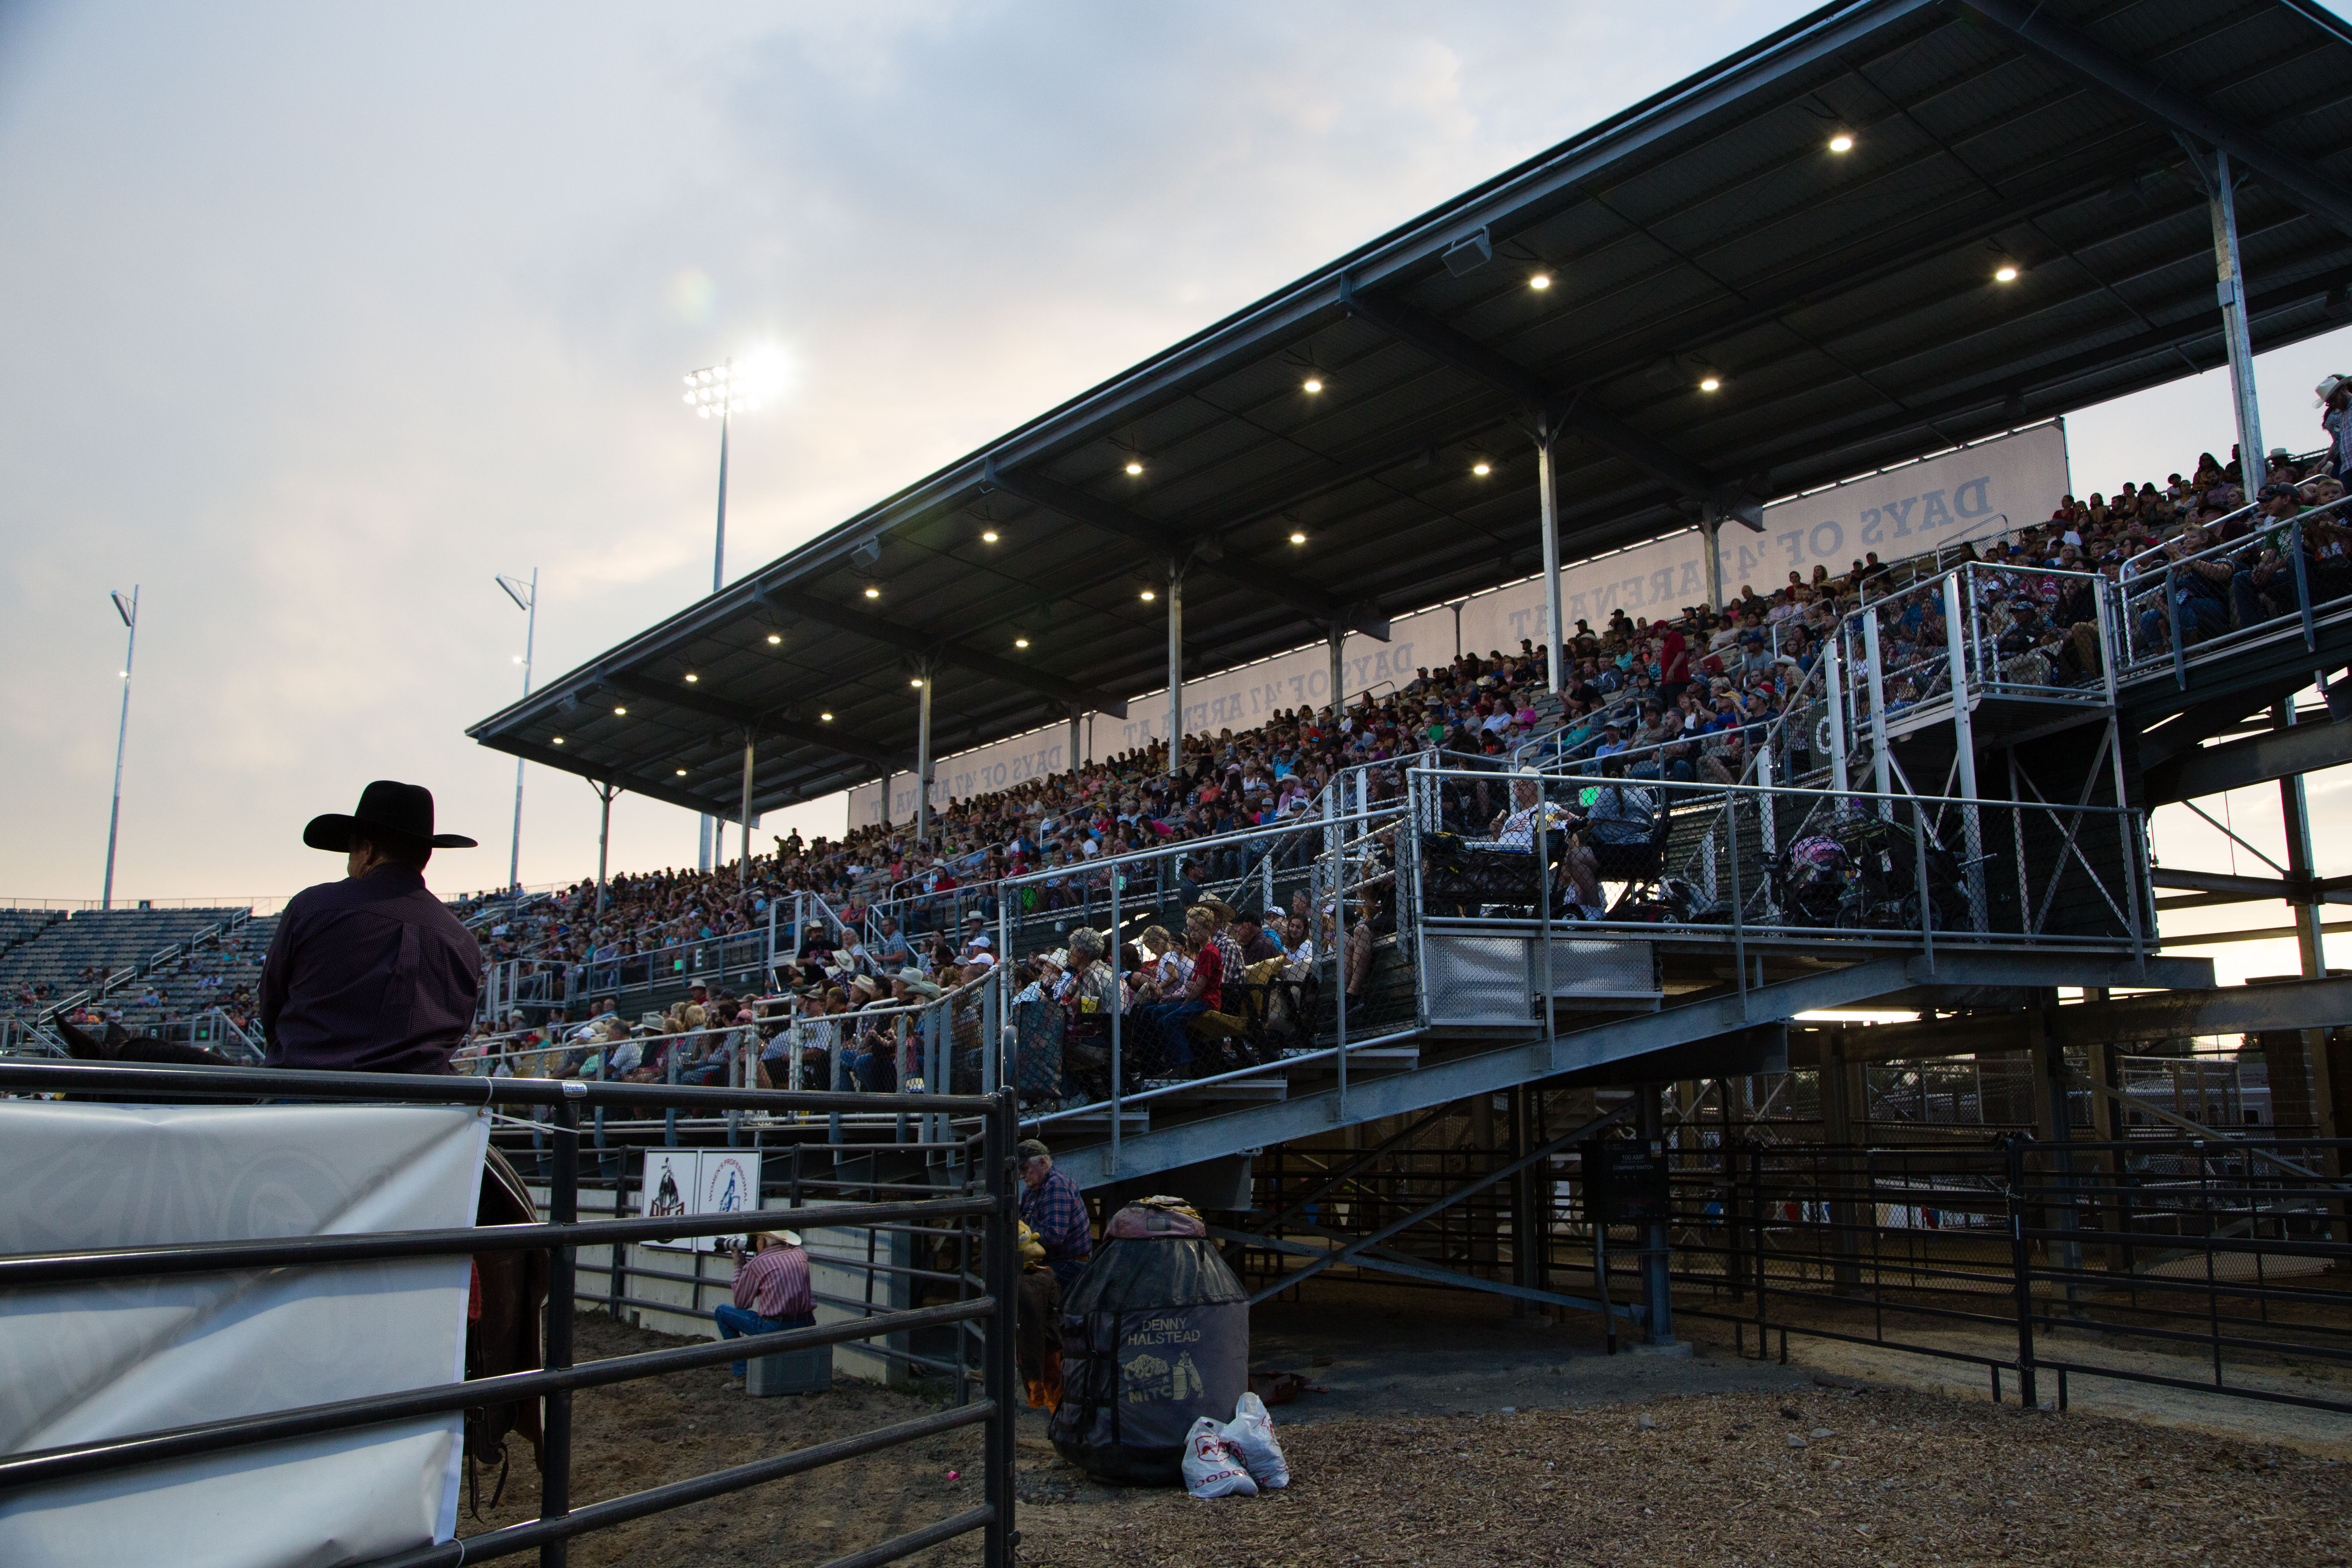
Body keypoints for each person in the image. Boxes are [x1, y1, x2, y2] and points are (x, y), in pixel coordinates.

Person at [259, 780, 482, 1075]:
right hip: (422, 1099)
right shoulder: (463, 940)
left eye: (351, 851)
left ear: (367, 849)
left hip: (311, 1088)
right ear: (425, 855)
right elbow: (457, 1029)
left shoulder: (314, 906)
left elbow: (271, 1004)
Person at [715, 1229, 815, 1382]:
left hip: (774, 1327)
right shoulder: (800, 1255)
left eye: (757, 1240)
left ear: (763, 1241)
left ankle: (742, 1374)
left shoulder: (757, 1264)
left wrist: (739, 1267)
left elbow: (741, 1303)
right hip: (806, 1323)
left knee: (722, 1312)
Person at [1017, 1139, 1094, 1288]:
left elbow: (1054, 1236)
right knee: (1009, 1273)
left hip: (1070, 1264)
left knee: (1020, 1285)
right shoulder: (1031, 1191)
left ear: (1042, 1163)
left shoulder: (1056, 1185)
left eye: (1025, 1169)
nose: (1021, 1176)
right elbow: (1022, 1225)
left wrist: (1021, 1239)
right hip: (1053, 1259)